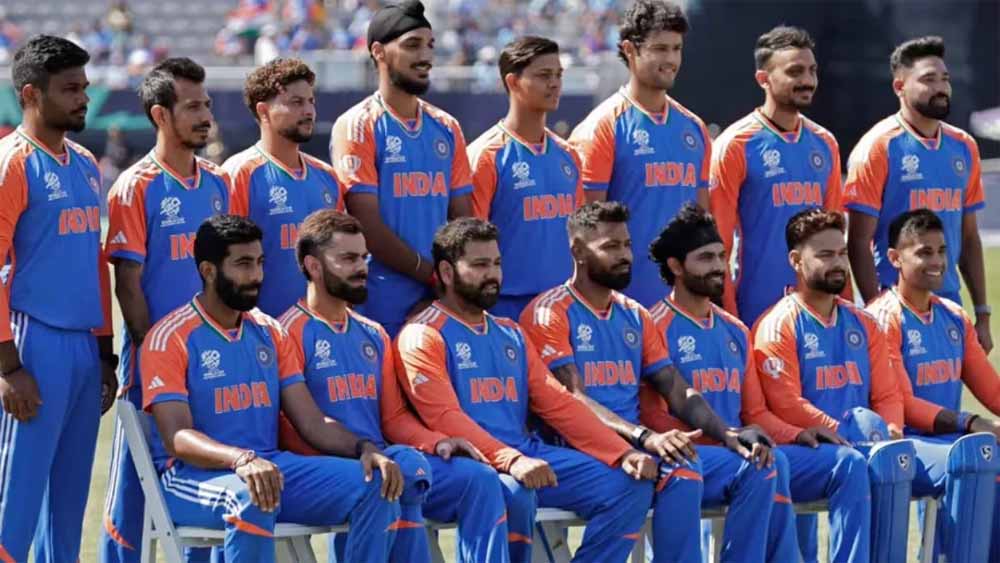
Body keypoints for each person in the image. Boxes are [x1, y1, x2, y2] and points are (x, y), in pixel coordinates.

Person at [521, 201, 779, 562]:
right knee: (683, 470)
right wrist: (644, 437)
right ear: (577, 251)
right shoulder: (549, 312)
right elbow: (572, 397)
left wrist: (727, 434)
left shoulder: (634, 314)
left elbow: (675, 388)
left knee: (757, 465)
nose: (625, 255)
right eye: (611, 246)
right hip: (579, 451)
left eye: (627, 245)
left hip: (640, 447)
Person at [395, 217, 657, 563]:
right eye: (480, 265)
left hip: (527, 454)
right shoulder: (423, 334)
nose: (493, 274)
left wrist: (621, 453)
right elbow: (444, 418)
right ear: (446, 272)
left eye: (497, 263)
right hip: (472, 466)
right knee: (513, 492)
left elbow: (557, 402)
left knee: (630, 485)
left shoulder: (511, 332)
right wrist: (512, 460)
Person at [141, 214, 401, 562]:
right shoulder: (170, 337)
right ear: (209, 271)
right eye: (243, 264)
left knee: (377, 483)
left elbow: (312, 421)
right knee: (250, 497)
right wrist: (240, 459)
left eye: (260, 262)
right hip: (193, 477)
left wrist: (364, 448)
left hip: (270, 468)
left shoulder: (270, 332)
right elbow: (177, 437)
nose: (257, 276)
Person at [644, 203, 872, 562]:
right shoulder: (652, 326)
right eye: (705, 258)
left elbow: (756, 414)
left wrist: (798, 433)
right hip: (692, 456)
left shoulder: (736, 330)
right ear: (675, 266)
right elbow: (651, 416)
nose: (719, 266)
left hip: (739, 451)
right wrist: (725, 438)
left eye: (722, 256)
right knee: (766, 464)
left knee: (843, 462)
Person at [278, 209, 509, 563]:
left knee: (478, 478)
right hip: (333, 468)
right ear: (313, 266)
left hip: (387, 459)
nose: (362, 268)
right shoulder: (285, 333)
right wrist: (363, 453)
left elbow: (394, 419)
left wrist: (438, 442)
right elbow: (292, 427)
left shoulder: (373, 333)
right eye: (348, 259)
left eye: (364, 258)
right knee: (398, 475)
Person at [100, 57, 231, 563]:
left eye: (208, 105)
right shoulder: (136, 186)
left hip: (211, 365)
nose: (206, 116)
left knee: (204, 487)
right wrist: (158, 354)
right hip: (153, 368)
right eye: (193, 107)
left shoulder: (219, 184)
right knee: (132, 494)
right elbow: (128, 286)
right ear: (160, 115)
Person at [0, 35, 117, 563]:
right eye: (70, 89)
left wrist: (104, 352)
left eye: (85, 87)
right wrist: (8, 366)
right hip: (32, 343)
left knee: (66, 511)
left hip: (82, 349)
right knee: (16, 504)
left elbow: (93, 260)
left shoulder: (86, 162)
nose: (83, 98)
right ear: (31, 94)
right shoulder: (12, 163)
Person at [754, 208, 916, 563]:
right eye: (825, 255)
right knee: (849, 467)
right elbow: (786, 405)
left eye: (842, 253)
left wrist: (890, 428)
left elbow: (888, 394)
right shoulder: (779, 324)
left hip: (856, 446)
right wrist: (847, 435)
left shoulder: (864, 323)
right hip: (798, 448)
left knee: (894, 458)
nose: (838, 263)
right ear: (796, 261)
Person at [330, 0, 472, 337]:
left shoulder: (446, 127)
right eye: (412, 45)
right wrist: (432, 275)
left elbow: (463, 220)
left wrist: (447, 286)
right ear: (378, 52)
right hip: (380, 303)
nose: (425, 56)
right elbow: (367, 226)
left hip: (441, 300)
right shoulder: (358, 125)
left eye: (430, 45)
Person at [867, 209, 1000, 562]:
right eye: (924, 252)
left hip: (948, 439)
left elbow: (991, 389)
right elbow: (901, 402)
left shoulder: (953, 316)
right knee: (974, 457)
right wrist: (970, 422)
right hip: (901, 440)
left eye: (942, 251)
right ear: (894, 258)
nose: (938, 262)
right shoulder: (882, 318)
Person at [845, 36, 991, 354]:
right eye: (928, 79)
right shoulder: (878, 147)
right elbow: (858, 241)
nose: (941, 88)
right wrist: (875, 314)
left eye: (945, 79)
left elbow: (968, 237)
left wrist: (982, 314)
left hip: (949, 309)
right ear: (900, 86)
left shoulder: (964, 146)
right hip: (895, 311)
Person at [570, 0, 711, 307]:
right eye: (660, 49)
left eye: (676, 49)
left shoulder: (695, 128)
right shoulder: (601, 127)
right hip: (623, 307)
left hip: (683, 306)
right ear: (630, 50)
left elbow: (702, 225)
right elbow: (586, 232)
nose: (671, 59)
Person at [710, 26, 842, 327]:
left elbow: (836, 236)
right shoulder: (736, 145)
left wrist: (842, 308)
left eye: (812, 70)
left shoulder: (825, 143)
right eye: (795, 72)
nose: (807, 80)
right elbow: (718, 247)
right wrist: (730, 322)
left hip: (817, 311)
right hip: (756, 309)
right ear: (764, 79)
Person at [468, 36, 583, 320]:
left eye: (558, 75)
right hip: (505, 309)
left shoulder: (569, 156)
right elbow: (469, 244)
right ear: (513, 82)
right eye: (544, 75)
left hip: (564, 308)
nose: (555, 83)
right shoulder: (486, 156)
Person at [225, 57, 342, 318]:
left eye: (311, 101)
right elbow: (229, 264)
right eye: (296, 102)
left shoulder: (327, 177)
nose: (309, 111)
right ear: (263, 111)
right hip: (263, 332)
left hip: (321, 330)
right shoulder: (239, 174)